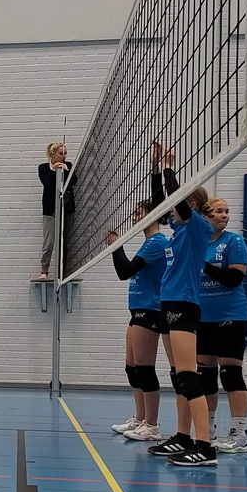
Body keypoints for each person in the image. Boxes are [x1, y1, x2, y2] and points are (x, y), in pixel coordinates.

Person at [145, 143, 218, 467]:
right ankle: (183, 437)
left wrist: (170, 167)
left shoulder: (198, 228)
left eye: (177, 207)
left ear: (189, 206)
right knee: (178, 375)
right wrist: (155, 170)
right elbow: (160, 204)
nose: (170, 213)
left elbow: (174, 199)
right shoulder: (177, 231)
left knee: (189, 376)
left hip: (184, 305)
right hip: (168, 303)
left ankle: (205, 446)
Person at [106, 161, 169, 442]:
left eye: (138, 212)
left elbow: (125, 271)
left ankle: (152, 425)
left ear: (150, 215)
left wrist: (115, 245)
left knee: (144, 369)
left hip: (150, 310)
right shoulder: (148, 243)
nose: (134, 216)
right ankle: (140, 418)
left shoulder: (156, 242)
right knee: (132, 368)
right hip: (138, 310)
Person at [198, 197, 247, 453]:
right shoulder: (198, 243)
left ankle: (239, 434)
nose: (225, 215)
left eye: (227, 211)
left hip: (231, 314)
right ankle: (207, 430)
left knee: (230, 374)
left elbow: (233, 279)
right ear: (205, 216)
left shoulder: (233, 241)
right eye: (219, 211)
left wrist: (203, 264)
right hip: (203, 317)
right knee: (205, 376)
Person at [37, 142, 77, 279]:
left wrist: (65, 170)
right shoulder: (43, 168)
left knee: (64, 242)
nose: (64, 156)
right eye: (61, 153)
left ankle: (62, 273)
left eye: (65, 153)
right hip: (50, 210)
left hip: (66, 209)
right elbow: (47, 184)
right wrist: (54, 170)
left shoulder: (68, 165)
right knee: (49, 242)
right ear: (53, 154)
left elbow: (73, 181)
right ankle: (44, 270)